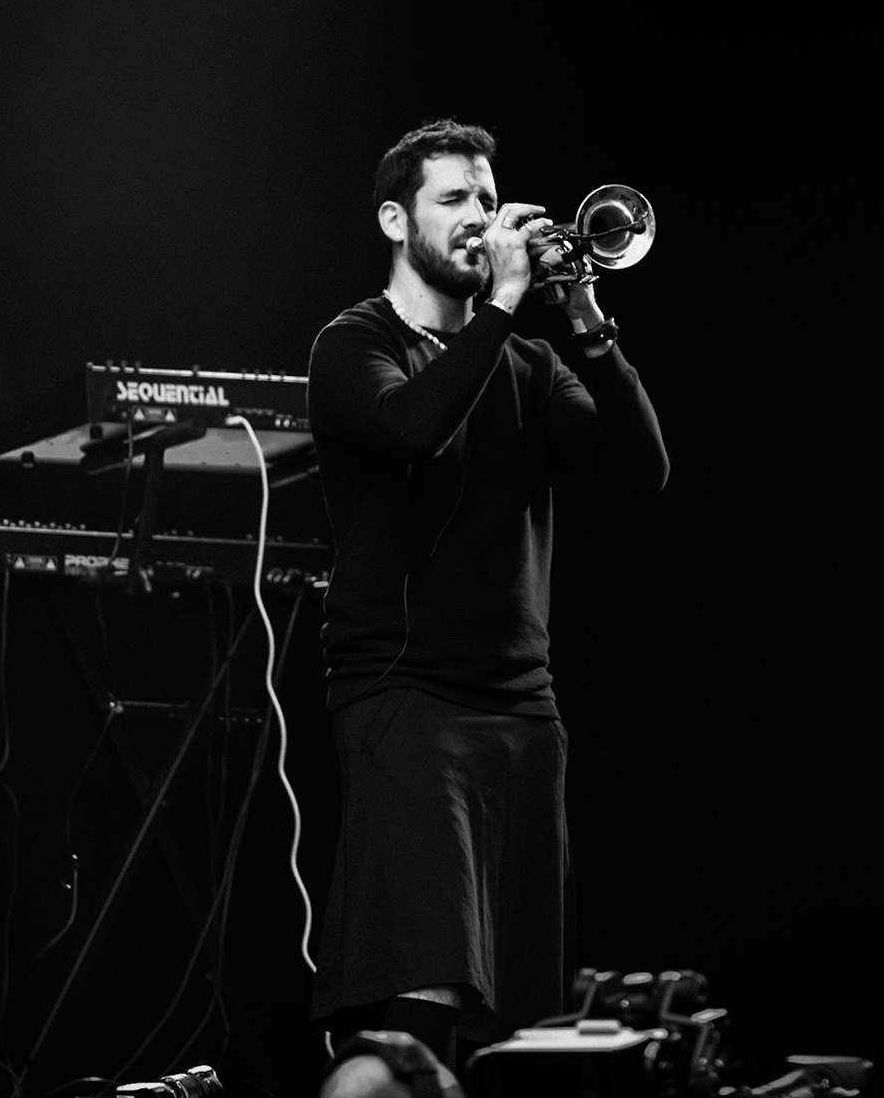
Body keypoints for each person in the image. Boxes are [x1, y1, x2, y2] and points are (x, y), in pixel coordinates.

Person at [305, 119, 670, 1068]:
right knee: (420, 991)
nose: (480, 217)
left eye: (486, 195)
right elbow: (415, 429)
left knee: (521, 1018)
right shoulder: (353, 343)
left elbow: (643, 471)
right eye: (455, 199)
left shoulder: (529, 366)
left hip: (523, 714)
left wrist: (585, 320)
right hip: (406, 699)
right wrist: (506, 300)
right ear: (396, 218)